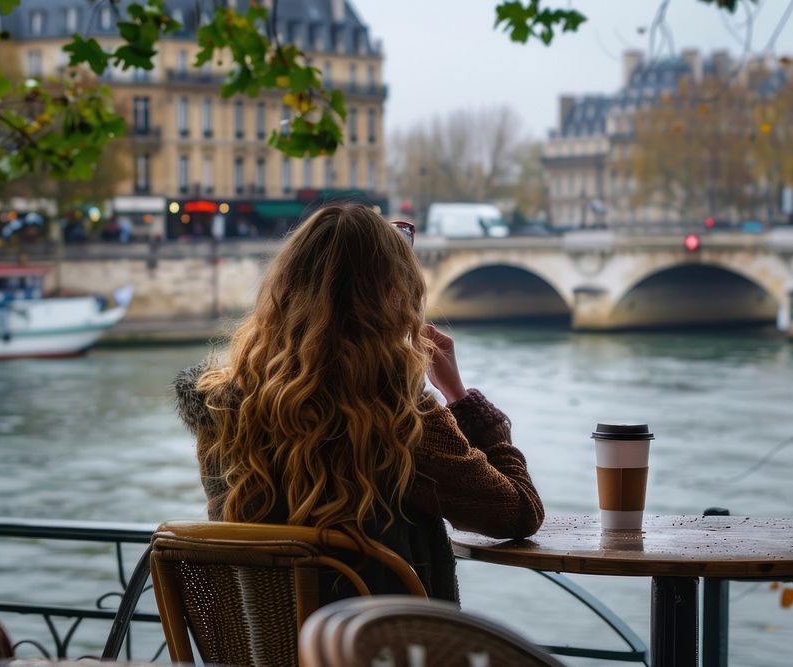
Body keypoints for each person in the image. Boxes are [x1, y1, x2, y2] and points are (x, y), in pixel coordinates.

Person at [173, 203, 543, 603]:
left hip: (264, 651)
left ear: (283, 287)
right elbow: (518, 512)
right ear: (392, 296)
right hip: (382, 647)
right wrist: (460, 397)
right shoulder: (395, 418)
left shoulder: (223, 409)